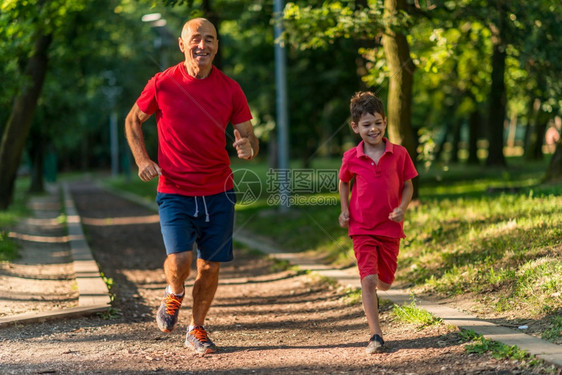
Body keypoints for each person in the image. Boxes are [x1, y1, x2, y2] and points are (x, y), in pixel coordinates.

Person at [125, 17, 258, 355]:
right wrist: (143, 160)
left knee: (210, 265)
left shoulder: (231, 88)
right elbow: (131, 120)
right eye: (196, 38)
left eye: (210, 38)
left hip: (219, 190)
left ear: (216, 46)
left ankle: (196, 328)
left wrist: (247, 146)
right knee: (181, 260)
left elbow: (249, 137)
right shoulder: (162, 83)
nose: (203, 44)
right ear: (182, 45)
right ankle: (173, 292)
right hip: (175, 190)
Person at [338, 91, 417, 354]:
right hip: (361, 228)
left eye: (378, 123)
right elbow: (343, 182)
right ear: (355, 127)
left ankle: (380, 287)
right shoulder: (351, 157)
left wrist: (401, 208)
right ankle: (375, 335)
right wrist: (344, 210)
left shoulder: (399, 153)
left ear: (385, 122)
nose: (373, 129)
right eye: (366, 125)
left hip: (390, 228)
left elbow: (408, 185)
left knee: (386, 280)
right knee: (369, 280)